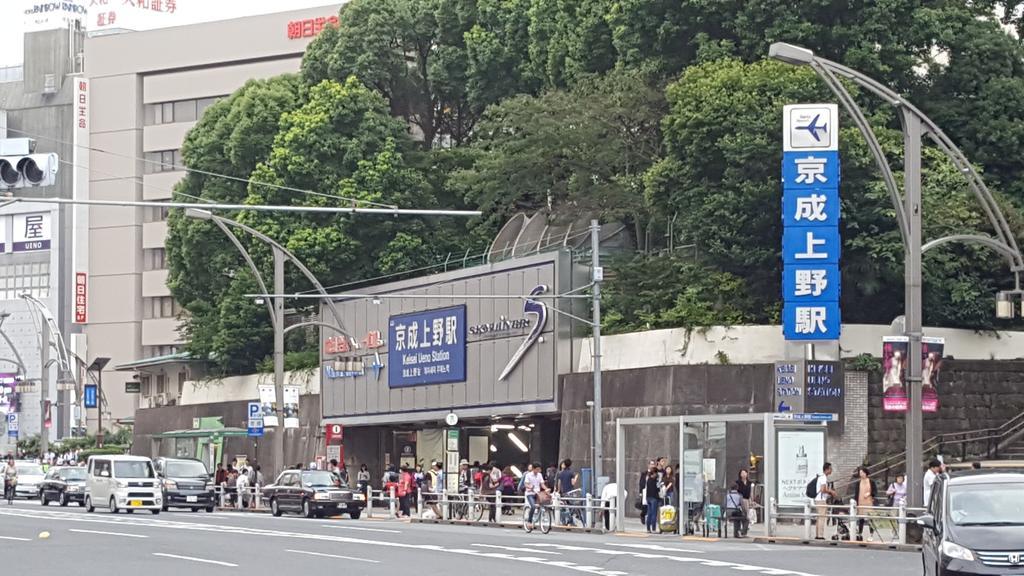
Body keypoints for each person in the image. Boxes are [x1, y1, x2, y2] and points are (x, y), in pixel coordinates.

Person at [850, 466, 877, 542]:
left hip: (869, 502)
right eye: (860, 473)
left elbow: (875, 491)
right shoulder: (858, 483)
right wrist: (855, 502)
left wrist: (869, 494)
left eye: (862, 472)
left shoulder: (871, 481)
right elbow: (856, 493)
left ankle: (871, 534)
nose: (861, 474)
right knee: (861, 519)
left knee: (870, 519)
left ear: (866, 473)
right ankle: (860, 533)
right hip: (860, 502)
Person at [814, 463, 837, 540]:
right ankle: (820, 536)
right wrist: (831, 492)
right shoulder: (823, 478)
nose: (831, 470)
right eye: (830, 469)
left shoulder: (821, 477)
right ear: (826, 469)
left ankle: (817, 535)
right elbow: (823, 489)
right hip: (821, 500)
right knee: (821, 518)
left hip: (818, 500)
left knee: (819, 518)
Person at [524, 462, 547, 530]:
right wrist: (530, 486)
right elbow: (526, 484)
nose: (538, 471)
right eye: (537, 469)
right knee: (533, 506)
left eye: (539, 469)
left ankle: (540, 518)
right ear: (533, 469)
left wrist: (546, 489)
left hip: (538, 493)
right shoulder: (528, 475)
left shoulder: (539, 475)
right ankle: (529, 521)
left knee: (543, 504)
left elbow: (542, 484)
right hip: (530, 493)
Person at [555, 459, 579, 526]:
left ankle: (565, 521)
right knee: (572, 507)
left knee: (564, 507)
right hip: (570, 492)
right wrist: (576, 477)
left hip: (563, 492)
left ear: (564, 464)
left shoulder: (560, 473)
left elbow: (559, 483)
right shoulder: (571, 473)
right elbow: (573, 483)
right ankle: (570, 521)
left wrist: (559, 490)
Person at [734, 469, 752, 537]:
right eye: (742, 473)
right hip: (740, 500)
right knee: (743, 516)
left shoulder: (749, 483)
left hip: (747, 500)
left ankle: (744, 532)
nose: (744, 474)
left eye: (745, 473)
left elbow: (750, 492)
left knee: (746, 515)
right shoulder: (738, 482)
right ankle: (742, 531)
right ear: (740, 474)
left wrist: (751, 500)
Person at [644, 467, 660, 533]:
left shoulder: (648, 480)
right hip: (654, 498)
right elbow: (657, 489)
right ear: (655, 473)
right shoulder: (655, 481)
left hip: (648, 497)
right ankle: (653, 529)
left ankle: (648, 529)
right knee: (654, 514)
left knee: (649, 513)